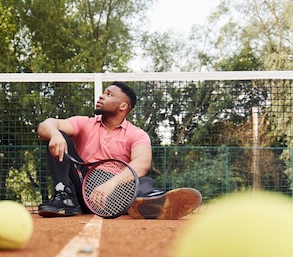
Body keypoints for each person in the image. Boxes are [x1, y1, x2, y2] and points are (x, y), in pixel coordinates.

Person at [37, 81, 201, 219]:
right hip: (81, 182)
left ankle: (152, 201)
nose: (101, 96)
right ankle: (66, 198)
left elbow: (142, 163)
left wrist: (110, 185)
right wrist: (54, 133)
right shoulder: (85, 123)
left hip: (115, 189)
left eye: (109, 94)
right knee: (60, 137)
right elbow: (46, 124)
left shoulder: (137, 134)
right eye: (103, 93)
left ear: (123, 106)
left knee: (141, 181)